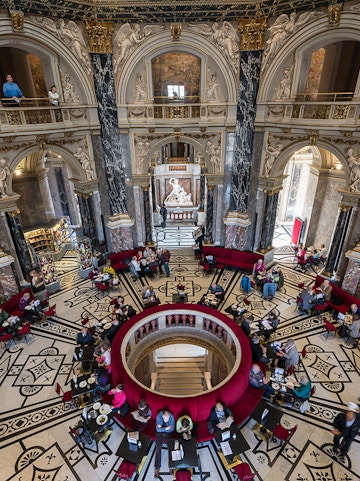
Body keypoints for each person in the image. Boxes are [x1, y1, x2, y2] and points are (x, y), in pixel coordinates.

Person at [155, 409, 175, 477]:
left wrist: (162, 428)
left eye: (167, 419)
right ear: (162, 417)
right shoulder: (159, 416)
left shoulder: (171, 417)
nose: (166, 420)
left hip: (169, 433)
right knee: (158, 449)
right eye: (165, 419)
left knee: (170, 448)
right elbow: (157, 429)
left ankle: (171, 466)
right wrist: (166, 428)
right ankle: (157, 467)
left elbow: (172, 429)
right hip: (159, 433)